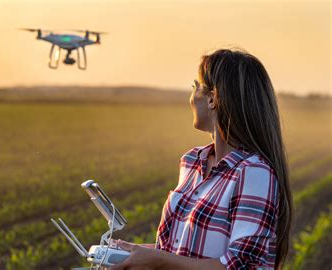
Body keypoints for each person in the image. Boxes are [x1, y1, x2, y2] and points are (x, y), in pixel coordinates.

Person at [111, 48, 293, 270]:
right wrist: (136, 254)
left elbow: (239, 266)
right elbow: (180, 252)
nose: (190, 97)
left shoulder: (253, 173)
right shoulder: (192, 162)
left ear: (212, 99)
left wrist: (156, 260)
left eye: (194, 87)